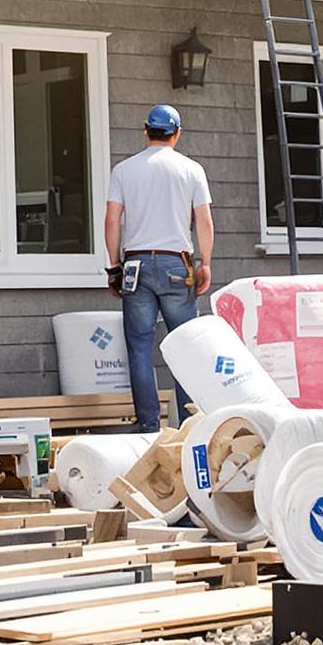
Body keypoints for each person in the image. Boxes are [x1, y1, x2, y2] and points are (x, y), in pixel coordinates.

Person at [103, 103, 214, 432]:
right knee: (184, 346)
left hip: (136, 263)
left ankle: (149, 425)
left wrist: (113, 267)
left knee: (139, 346)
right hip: (176, 264)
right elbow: (204, 220)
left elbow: (112, 220)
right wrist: (205, 263)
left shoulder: (124, 170)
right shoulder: (191, 170)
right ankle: (189, 426)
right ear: (177, 133)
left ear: (145, 130)